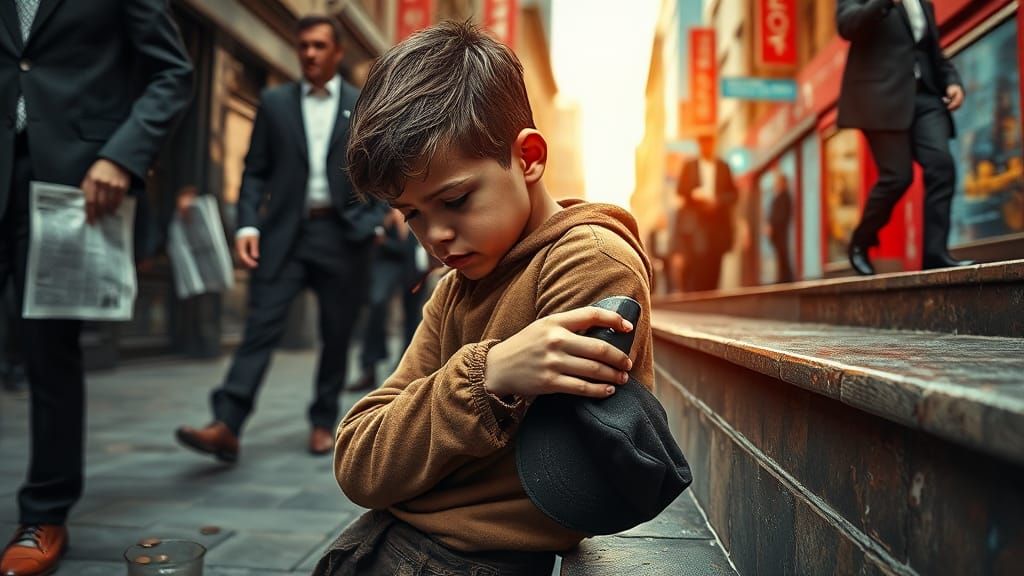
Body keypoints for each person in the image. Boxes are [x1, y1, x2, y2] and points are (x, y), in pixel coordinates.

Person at [311, 21, 654, 576]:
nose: (436, 236)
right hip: (394, 547)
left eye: (455, 200)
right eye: (412, 214)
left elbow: (559, 482)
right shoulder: (455, 286)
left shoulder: (590, 263)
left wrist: (442, 414)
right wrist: (490, 373)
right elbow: (358, 460)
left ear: (529, 157)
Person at [0, 2, 193, 574]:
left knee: (49, 352)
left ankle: (44, 513)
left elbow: (172, 71)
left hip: (71, 184)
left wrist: (122, 154)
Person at [175, 15, 386, 461]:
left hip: (342, 235)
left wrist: (372, 222)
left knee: (336, 334)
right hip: (285, 233)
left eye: (318, 46)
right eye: (303, 45)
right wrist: (248, 225)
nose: (309, 53)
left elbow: (382, 171)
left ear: (337, 52)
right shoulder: (274, 102)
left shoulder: (361, 105)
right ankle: (227, 424)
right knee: (260, 327)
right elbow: (255, 171)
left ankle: (322, 421)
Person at [837, 0, 971, 275]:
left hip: (926, 97)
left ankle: (935, 255)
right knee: (897, 178)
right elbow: (847, 26)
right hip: (881, 98)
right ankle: (861, 241)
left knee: (941, 166)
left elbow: (931, 50)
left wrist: (952, 80)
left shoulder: (924, 4)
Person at [352, 208, 429, 392]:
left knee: (414, 314)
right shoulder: (383, 207)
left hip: (415, 256)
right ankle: (369, 367)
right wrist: (384, 220)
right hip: (387, 256)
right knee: (377, 302)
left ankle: (409, 370)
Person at [672, 134, 738, 291]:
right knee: (698, 263)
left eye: (710, 144)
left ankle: (711, 296)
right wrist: (694, 195)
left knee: (715, 264)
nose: (707, 148)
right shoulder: (689, 166)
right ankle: (698, 295)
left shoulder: (723, 167)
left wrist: (718, 201)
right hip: (696, 224)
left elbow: (734, 194)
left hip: (718, 224)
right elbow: (680, 190)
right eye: (703, 144)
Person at [766, 172, 794, 283]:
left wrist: (772, 226)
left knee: (782, 254)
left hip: (780, 231)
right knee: (780, 254)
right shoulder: (780, 196)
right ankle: (783, 276)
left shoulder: (785, 196)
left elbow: (780, 216)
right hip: (778, 231)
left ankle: (786, 277)